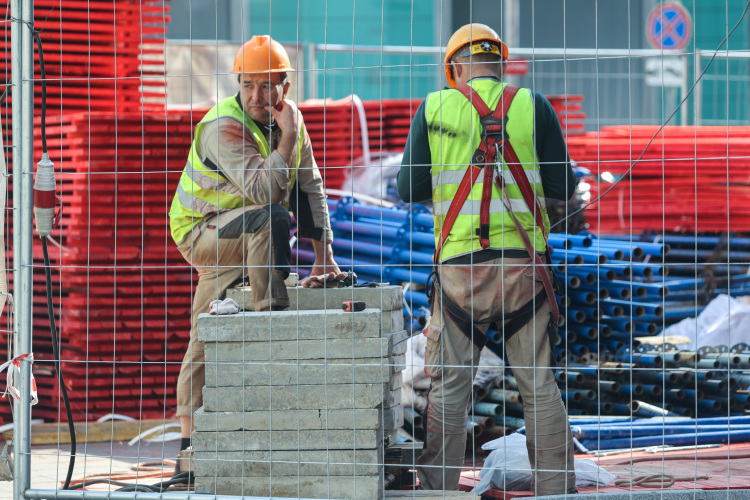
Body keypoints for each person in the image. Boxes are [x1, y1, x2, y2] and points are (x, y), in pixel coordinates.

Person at [397, 23, 577, 494]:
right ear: (501, 63)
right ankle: (556, 489)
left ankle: (436, 490)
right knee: (537, 387)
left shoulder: (434, 107)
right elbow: (564, 187)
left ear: (456, 68)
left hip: (460, 275)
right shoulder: (532, 106)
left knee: (450, 391)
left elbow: (407, 188)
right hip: (522, 270)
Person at [168, 35, 344, 467]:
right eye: (248, 85)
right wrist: (287, 139)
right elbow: (263, 191)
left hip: (241, 232)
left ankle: (188, 450)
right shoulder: (222, 126)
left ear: (286, 85)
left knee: (205, 331)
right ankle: (269, 322)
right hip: (202, 233)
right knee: (272, 217)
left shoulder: (289, 123)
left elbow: (310, 187)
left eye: (268, 86)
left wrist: (325, 257)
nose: (257, 96)